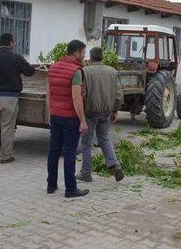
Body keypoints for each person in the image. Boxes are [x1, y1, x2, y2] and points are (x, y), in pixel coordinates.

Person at [0, 33, 35, 165]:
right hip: (9, 98)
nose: (14, 44)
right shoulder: (16, 57)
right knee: (7, 128)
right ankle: (6, 156)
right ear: (11, 42)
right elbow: (30, 72)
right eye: (14, 42)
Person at [46, 40, 89, 198]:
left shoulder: (53, 67)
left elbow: (49, 93)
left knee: (53, 151)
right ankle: (71, 189)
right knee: (70, 153)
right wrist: (83, 120)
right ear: (76, 53)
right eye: (83, 53)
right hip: (70, 118)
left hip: (55, 115)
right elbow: (77, 98)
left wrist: (49, 113)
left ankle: (51, 184)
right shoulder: (76, 71)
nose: (85, 56)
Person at [77, 46, 124, 183]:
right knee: (104, 139)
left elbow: (82, 94)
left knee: (86, 143)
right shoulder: (112, 72)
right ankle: (115, 165)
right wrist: (115, 110)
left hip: (89, 112)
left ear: (90, 58)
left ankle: (86, 173)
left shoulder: (84, 72)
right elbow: (119, 95)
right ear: (102, 57)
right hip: (106, 112)